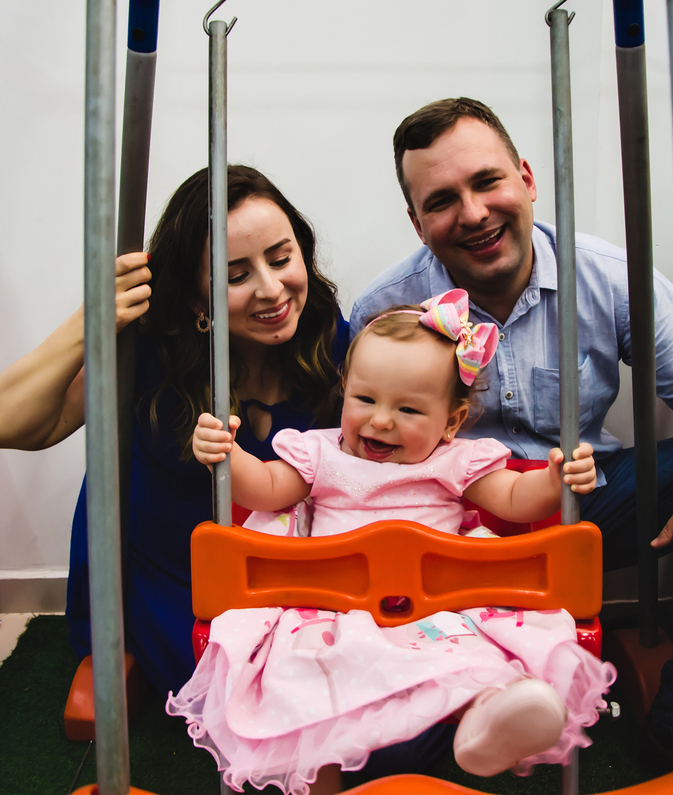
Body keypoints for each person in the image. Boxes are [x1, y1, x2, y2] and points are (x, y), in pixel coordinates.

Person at [350, 97, 673, 755]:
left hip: (582, 501)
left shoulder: (607, 275)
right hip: (452, 527)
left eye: (486, 181)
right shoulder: (386, 308)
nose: (472, 213)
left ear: (526, 178)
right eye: (441, 200)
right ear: (417, 223)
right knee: (404, 751)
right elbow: (358, 456)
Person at [177, 289, 615, 795]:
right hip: (329, 614)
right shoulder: (321, 455)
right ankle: (317, 783)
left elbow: (515, 499)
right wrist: (228, 456)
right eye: (364, 399)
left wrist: (554, 479)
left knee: (474, 655)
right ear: (345, 391)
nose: (380, 420)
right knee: (300, 682)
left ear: (451, 422)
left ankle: (492, 716)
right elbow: (269, 489)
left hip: (437, 613)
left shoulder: (453, 462)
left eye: (408, 409)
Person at [0, 165, 348, 701]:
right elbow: (2, 426)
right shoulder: (149, 349)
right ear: (196, 298)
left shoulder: (324, 329)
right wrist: (92, 321)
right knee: (254, 693)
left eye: (281, 257)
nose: (273, 290)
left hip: (287, 562)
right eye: (235, 275)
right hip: (178, 573)